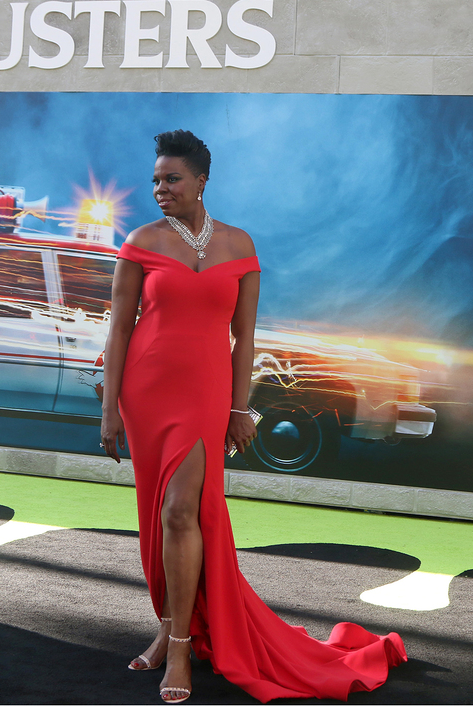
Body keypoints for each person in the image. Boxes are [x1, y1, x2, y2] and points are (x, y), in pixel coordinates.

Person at [100, 130, 405, 704]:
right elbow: (118, 330)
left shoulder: (239, 245)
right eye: (156, 180)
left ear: (201, 181)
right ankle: (167, 628)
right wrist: (111, 407)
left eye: (172, 179)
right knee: (159, 515)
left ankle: (182, 646)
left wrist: (241, 408)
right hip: (147, 392)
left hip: (205, 394)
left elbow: (245, 338)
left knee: (181, 510)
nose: (160, 189)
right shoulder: (141, 241)